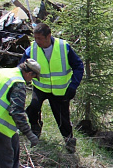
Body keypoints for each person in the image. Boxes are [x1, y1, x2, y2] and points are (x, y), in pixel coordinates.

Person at [21, 23, 84, 153]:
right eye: (35, 38)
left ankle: (69, 142)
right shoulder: (32, 49)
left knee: (63, 119)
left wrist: (73, 86)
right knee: (33, 109)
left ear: (48, 36)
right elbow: (20, 67)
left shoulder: (63, 47)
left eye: (39, 38)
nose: (36, 41)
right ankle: (36, 128)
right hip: (40, 88)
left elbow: (78, 66)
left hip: (60, 91)